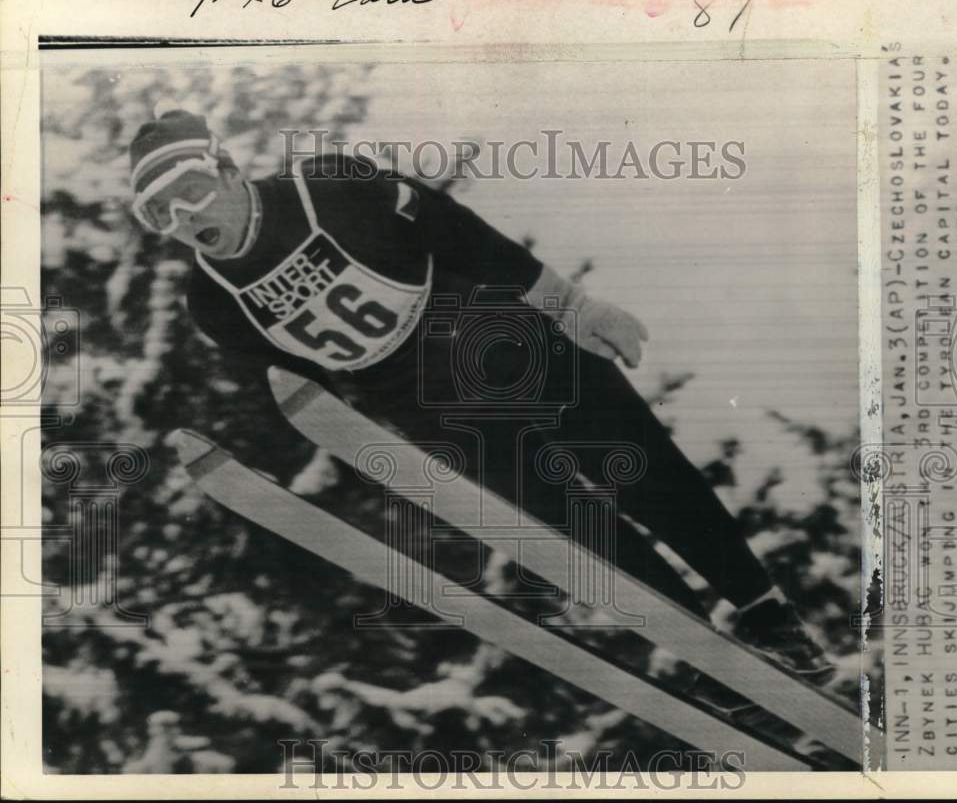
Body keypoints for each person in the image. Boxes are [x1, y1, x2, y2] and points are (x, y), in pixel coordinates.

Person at [128, 109, 835, 685]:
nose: (183, 217)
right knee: (574, 523)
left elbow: (459, 232)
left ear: (225, 166)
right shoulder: (212, 303)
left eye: (189, 190)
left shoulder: (330, 186)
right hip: (429, 402)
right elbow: (301, 377)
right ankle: (715, 657)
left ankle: (766, 611)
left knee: (641, 468)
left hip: (498, 332)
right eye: (159, 213)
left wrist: (575, 306)